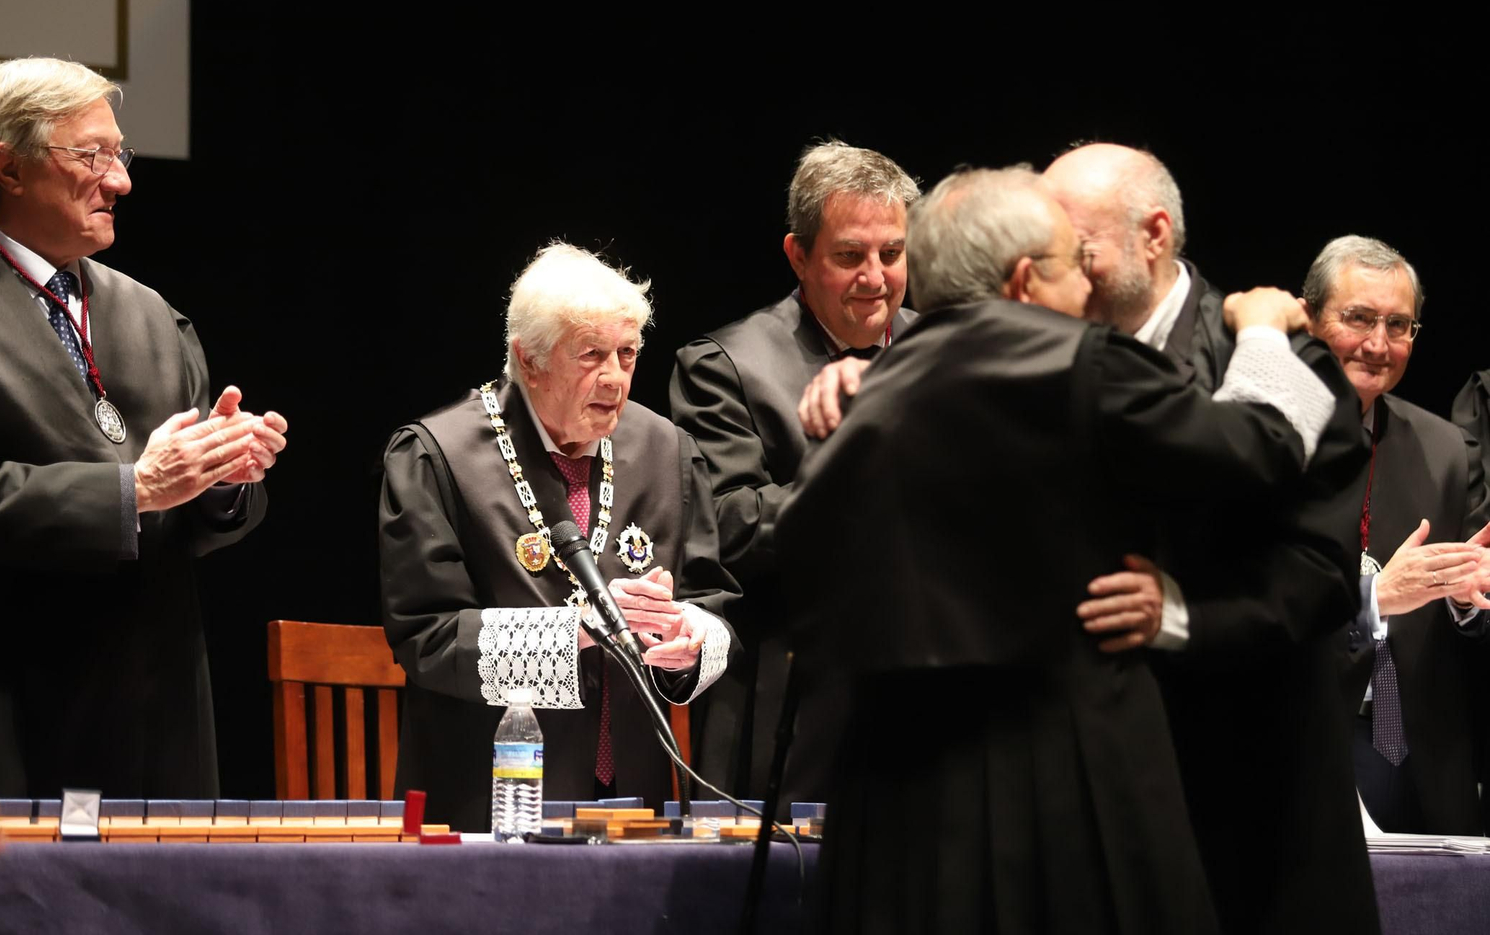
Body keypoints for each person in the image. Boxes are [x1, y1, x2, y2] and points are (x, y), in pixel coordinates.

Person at [778, 166, 1339, 934]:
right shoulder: (1083, 363)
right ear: (1022, 281)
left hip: (894, 789)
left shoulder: (864, 387)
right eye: (1072, 264)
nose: (1089, 287)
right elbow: (1260, 449)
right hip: (1058, 770)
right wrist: (1269, 330)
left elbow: (794, 572)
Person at [0, 57, 288, 799]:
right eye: (91, 155)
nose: (121, 180)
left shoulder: (151, 314)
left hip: (154, 719)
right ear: (8, 168)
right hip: (5, 716)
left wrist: (224, 480)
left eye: (120, 153)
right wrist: (131, 490)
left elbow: (194, 519)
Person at [1039, 143, 1384, 933]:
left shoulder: (1284, 357)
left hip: (1249, 801)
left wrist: (1183, 613)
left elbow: (1321, 572)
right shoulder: (1045, 358)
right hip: (1087, 801)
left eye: (1075, 249)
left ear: (1153, 235)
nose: (1049, 271)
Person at [380, 243, 739, 832]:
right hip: (486, 804)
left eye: (627, 354)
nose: (616, 378)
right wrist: (580, 631)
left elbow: (716, 603)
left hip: (636, 805)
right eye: (591, 355)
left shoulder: (668, 451)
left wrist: (690, 640)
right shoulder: (435, 456)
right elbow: (429, 638)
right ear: (530, 361)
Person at [668, 140, 917, 800]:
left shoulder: (942, 352)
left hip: (925, 691)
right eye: (849, 256)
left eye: (891, 253)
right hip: (790, 702)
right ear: (798, 256)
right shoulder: (725, 365)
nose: (875, 277)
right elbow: (731, 526)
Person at [1301, 236, 1490, 834]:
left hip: (1425, 749)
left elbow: (1472, 611)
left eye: (1398, 324)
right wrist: (1373, 602)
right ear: (1309, 318)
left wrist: (1469, 596)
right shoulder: (1250, 438)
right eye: (1358, 318)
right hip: (1306, 734)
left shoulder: (1445, 447)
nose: (1378, 344)